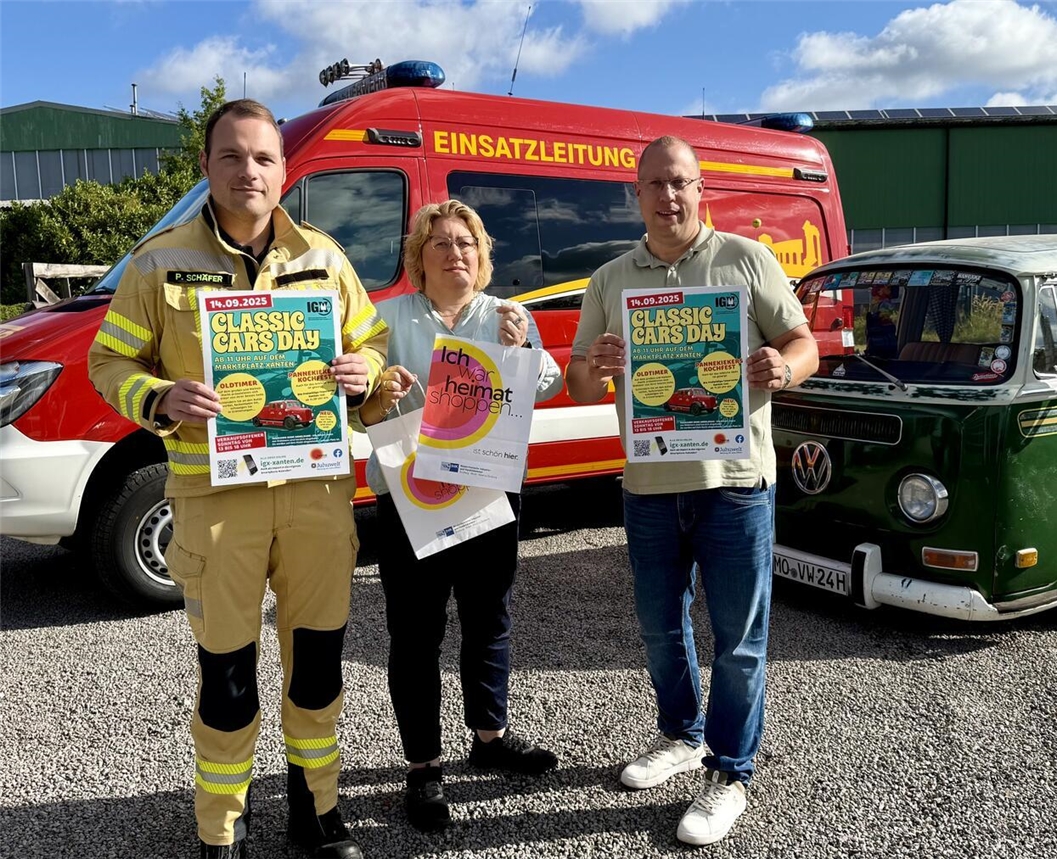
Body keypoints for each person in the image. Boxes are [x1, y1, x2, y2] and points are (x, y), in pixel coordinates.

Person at [88, 99, 390, 859]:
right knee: (226, 674)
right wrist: (157, 396)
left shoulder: (326, 258)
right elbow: (106, 363)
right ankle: (221, 824)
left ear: (285, 171)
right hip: (215, 502)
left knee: (317, 666)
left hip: (317, 494)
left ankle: (316, 810)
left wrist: (366, 373)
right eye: (232, 156)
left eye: (263, 158)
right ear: (207, 166)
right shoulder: (157, 262)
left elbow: (374, 351)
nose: (248, 170)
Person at [566, 136, 819, 846]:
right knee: (658, 628)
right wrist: (600, 362)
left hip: (735, 484)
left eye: (680, 183)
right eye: (655, 184)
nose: (668, 196)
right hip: (648, 485)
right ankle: (682, 735)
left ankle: (730, 772)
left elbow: (806, 343)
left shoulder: (745, 258)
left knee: (738, 639)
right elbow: (583, 382)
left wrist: (783, 365)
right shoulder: (612, 277)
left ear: (700, 188)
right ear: (636, 193)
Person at [363, 200, 562, 832]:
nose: (456, 253)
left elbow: (550, 385)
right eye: (441, 243)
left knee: (488, 620)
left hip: (490, 494)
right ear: (417, 257)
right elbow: (355, 399)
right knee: (416, 634)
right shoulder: (384, 318)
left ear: (483, 255)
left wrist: (524, 346)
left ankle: (490, 736)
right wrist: (378, 388)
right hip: (411, 499)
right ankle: (422, 767)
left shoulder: (508, 315)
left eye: (467, 243)